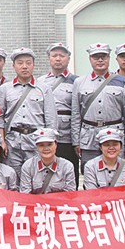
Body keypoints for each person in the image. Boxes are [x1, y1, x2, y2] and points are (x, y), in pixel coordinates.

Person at [71, 43, 125, 170]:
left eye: (103, 56)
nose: (100, 60)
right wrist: (76, 141)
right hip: (88, 138)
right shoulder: (80, 82)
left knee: (116, 172)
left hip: (114, 136)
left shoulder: (122, 81)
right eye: (96, 57)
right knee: (90, 171)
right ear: (90, 59)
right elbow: (75, 114)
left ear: (109, 58)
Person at [0, 47, 57, 177]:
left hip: (36, 141)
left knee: (36, 176)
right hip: (12, 142)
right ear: (13, 66)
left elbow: (51, 118)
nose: (24, 66)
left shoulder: (44, 88)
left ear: (33, 65)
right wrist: (2, 140)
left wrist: (49, 143)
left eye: (28, 63)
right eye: (20, 63)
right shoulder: (5, 89)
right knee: (12, 176)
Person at [37, 42, 80, 187]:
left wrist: (77, 140)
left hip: (67, 135)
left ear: (68, 58)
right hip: (46, 134)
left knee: (69, 172)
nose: (58, 59)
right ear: (49, 58)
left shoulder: (77, 81)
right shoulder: (41, 81)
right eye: (54, 55)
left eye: (62, 55)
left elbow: (78, 111)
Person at [18, 129, 76, 194]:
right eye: (41, 145)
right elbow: (25, 194)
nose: (46, 148)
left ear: (56, 145)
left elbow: (70, 194)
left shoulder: (67, 166)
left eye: (49, 144)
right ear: (36, 147)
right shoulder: (28, 166)